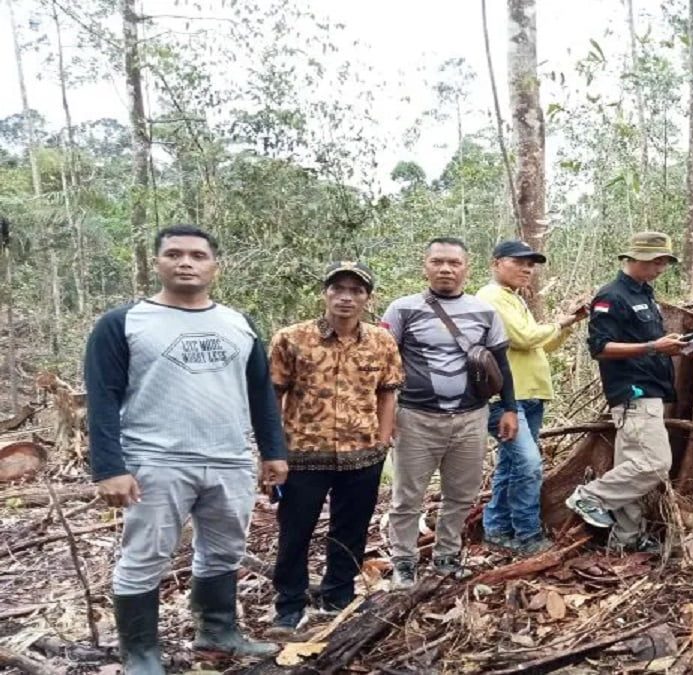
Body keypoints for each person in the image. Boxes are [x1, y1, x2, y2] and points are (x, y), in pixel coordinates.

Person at [85, 225, 287, 674]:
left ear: (215, 266)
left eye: (197, 255)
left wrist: (273, 450)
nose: (186, 263)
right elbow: (102, 398)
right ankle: (140, 653)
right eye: (174, 254)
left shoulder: (238, 323)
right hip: (156, 460)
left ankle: (217, 630)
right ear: (157, 263)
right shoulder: (124, 323)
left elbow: (260, 392)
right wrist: (109, 468)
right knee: (145, 555)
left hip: (229, 458)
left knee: (224, 550)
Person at [266, 261, 403, 635]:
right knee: (295, 531)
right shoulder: (292, 338)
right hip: (303, 454)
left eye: (356, 290)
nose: (346, 297)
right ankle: (289, 605)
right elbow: (272, 396)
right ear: (325, 293)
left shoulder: (381, 341)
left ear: (367, 298)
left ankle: (338, 597)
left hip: (362, 455)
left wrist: (382, 441)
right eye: (337, 289)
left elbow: (387, 393)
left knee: (351, 530)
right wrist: (271, 452)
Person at [381, 237, 518, 589]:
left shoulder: (485, 312)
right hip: (415, 418)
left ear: (466, 269)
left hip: (470, 418)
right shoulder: (402, 309)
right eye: (438, 262)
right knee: (407, 496)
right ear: (425, 266)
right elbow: (382, 365)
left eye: (454, 263)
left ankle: (446, 556)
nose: (445, 269)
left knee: (461, 494)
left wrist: (510, 408)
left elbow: (500, 364)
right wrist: (383, 415)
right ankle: (404, 562)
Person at [565, 232, 693, 553]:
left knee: (632, 465)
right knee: (655, 464)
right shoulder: (611, 296)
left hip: (651, 389)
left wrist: (679, 348)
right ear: (635, 258)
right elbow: (600, 348)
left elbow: (649, 345)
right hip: (633, 392)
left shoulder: (645, 294)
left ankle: (626, 539)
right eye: (656, 261)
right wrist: (654, 346)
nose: (660, 268)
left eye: (664, 262)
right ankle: (589, 496)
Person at [476, 241, 587, 556]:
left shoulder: (514, 299)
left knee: (512, 466)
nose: (527, 269)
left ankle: (497, 529)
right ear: (496, 263)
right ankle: (528, 535)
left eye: (531, 264)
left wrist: (569, 322)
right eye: (519, 262)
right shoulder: (491, 297)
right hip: (505, 400)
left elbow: (542, 345)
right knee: (528, 464)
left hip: (530, 394)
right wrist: (560, 321)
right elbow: (524, 338)